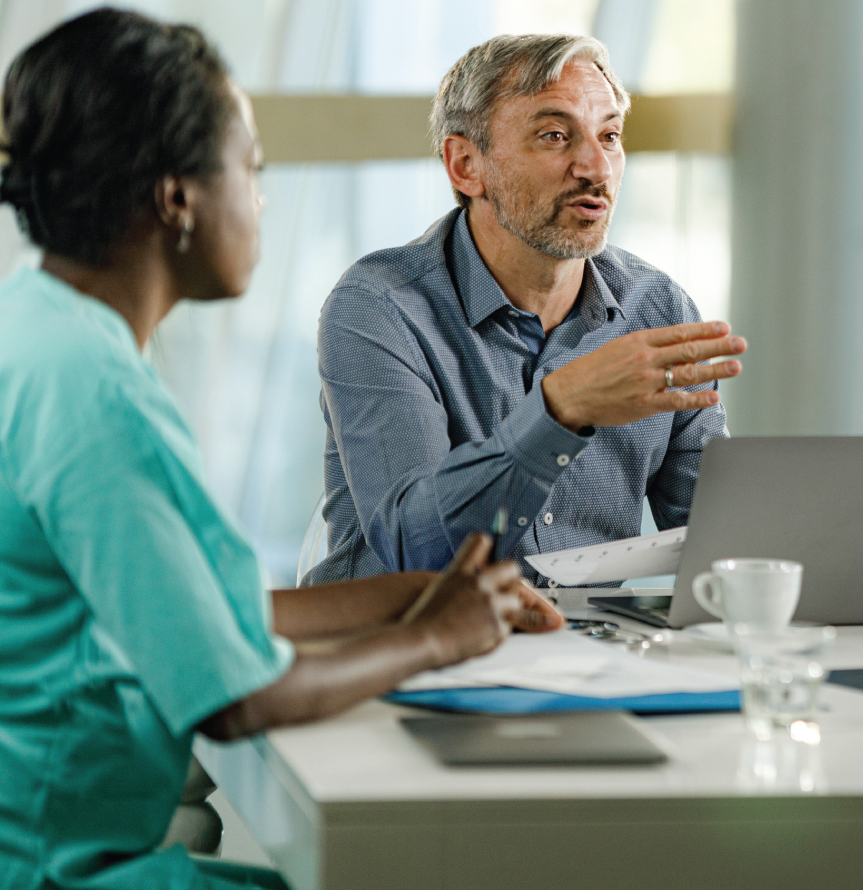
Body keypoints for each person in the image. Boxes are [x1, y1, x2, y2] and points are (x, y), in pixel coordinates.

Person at [0, 10, 563, 888]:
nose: (261, 200)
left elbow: (200, 609)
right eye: (250, 170)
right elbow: (238, 699)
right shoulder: (97, 395)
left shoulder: (41, 329)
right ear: (175, 196)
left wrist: (411, 598)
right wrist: (439, 637)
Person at [306, 34, 746, 585]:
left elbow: (719, 543)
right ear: (466, 165)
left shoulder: (658, 308)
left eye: (610, 136)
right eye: (556, 136)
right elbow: (419, 551)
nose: (595, 167)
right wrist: (559, 410)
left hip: (585, 656)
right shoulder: (380, 307)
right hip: (408, 652)